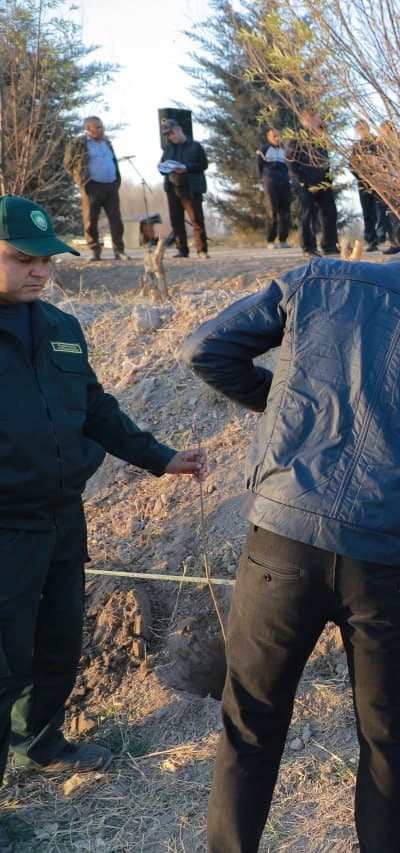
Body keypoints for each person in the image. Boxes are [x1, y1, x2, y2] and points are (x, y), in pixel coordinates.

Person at [181, 190, 400, 852]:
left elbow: (206, 350)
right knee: (388, 735)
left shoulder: (317, 279)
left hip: (282, 542)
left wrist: (282, 408)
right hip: (390, 567)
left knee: (251, 722)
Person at [0, 195, 205, 785]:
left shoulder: (62, 328)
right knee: (3, 661)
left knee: (58, 644)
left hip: (62, 518)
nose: (40, 270)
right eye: (23, 258)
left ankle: (38, 745)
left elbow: (94, 408)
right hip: (4, 526)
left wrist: (160, 458)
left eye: (49, 260)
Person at [65, 116, 129, 262]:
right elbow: (69, 164)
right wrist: (81, 180)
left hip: (111, 185)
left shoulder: (107, 143)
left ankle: (119, 250)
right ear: (88, 129)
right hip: (92, 186)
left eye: (102, 126)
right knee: (90, 220)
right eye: (97, 127)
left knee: (116, 220)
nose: (101, 130)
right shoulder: (79, 144)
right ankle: (94, 251)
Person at [285, 110, 340, 258]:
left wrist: (328, 178)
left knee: (330, 211)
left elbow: (325, 158)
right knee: (307, 214)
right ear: (308, 117)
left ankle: (329, 245)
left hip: (322, 181)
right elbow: (290, 160)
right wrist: (301, 180)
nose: (320, 120)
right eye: (318, 117)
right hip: (304, 181)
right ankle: (308, 247)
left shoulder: (319, 135)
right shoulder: (297, 135)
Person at [158, 118, 209, 258]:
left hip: (191, 188)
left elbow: (203, 165)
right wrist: (165, 168)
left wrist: (186, 168)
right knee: (176, 220)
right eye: (167, 135)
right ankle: (182, 250)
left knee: (196, 220)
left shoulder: (196, 146)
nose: (171, 137)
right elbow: (162, 166)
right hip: (173, 187)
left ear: (179, 129)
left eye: (172, 133)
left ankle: (202, 250)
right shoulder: (168, 148)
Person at [349, 119, 384, 250]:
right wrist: (361, 177)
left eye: (364, 127)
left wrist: (378, 176)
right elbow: (352, 165)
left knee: (380, 211)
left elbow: (384, 161)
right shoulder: (357, 147)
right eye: (359, 129)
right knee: (367, 212)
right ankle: (371, 240)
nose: (362, 130)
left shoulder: (377, 143)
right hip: (363, 183)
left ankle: (381, 237)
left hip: (378, 182)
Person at [255, 128, 292, 249]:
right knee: (272, 211)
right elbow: (258, 166)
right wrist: (263, 180)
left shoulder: (284, 150)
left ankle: (283, 240)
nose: (276, 138)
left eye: (278, 136)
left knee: (285, 211)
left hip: (285, 182)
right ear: (268, 137)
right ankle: (270, 240)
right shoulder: (263, 149)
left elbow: (290, 165)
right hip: (271, 183)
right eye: (274, 136)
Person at [376, 121, 400, 254]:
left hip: (399, 181)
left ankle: (398, 243)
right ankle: (395, 242)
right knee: (389, 213)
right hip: (387, 182)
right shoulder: (381, 145)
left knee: (396, 212)